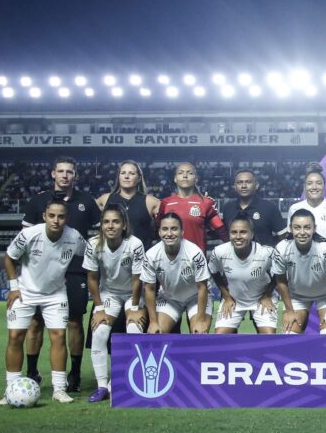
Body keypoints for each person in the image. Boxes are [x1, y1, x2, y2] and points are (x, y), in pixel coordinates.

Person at [21, 156, 100, 392]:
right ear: (53, 174)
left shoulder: (87, 201)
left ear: (75, 175)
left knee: (74, 321)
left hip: (76, 271)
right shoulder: (38, 201)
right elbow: (24, 241)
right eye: (61, 171)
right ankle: (32, 372)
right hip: (42, 274)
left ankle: (74, 374)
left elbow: (97, 237)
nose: (65, 175)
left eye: (70, 172)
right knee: (35, 323)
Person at [1, 199, 86, 404]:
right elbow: (9, 257)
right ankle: (10, 389)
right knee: (15, 337)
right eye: (52, 216)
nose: (56, 220)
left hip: (55, 293)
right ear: (44, 216)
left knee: (58, 336)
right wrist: (13, 288)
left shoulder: (74, 237)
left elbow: (90, 256)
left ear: (67, 218)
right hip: (25, 292)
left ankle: (59, 389)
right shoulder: (30, 234)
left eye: (61, 216)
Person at [84, 203, 146, 402]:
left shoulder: (135, 244)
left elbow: (138, 279)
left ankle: (118, 382)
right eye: (106, 222)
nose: (110, 226)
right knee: (99, 331)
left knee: (134, 330)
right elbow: (92, 278)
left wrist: (135, 308)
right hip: (109, 293)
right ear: (101, 225)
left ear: (124, 225)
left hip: (133, 294)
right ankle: (102, 385)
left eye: (115, 222)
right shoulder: (93, 244)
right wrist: (99, 309)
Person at [141, 213, 211, 334]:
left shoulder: (195, 253)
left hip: (195, 298)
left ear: (182, 232)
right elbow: (149, 289)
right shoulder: (151, 255)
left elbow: (202, 288)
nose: (169, 234)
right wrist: (153, 322)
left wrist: (200, 320)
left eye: (174, 229)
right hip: (170, 299)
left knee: (199, 335)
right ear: (159, 232)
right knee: (156, 334)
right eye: (165, 229)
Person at [272, 209, 326, 334]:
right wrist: (289, 310)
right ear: (290, 229)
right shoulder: (281, 248)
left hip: (325, 295)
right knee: (289, 335)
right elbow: (281, 281)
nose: (302, 232)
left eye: (307, 227)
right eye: (297, 228)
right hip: (298, 296)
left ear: (314, 228)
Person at [210, 216, 278, 334]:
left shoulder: (266, 253)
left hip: (261, 299)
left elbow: (280, 272)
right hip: (234, 300)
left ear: (251, 234)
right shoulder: (219, 252)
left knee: (269, 337)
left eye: (243, 232)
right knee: (219, 338)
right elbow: (214, 271)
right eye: (234, 232)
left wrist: (267, 295)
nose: (238, 236)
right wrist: (226, 297)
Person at [157, 162, 227, 252]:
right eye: (180, 173)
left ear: (196, 179)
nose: (185, 176)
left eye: (189, 173)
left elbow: (221, 230)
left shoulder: (206, 203)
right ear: (175, 179)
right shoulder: (165, 203)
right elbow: (157, 230)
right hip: (171, 261)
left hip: (197, 260)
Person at [96, 160, 160, 247]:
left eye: (131, 173)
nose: (126, 176)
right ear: (118, 177)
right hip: (112, 256)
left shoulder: (151, 202)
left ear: (139, 178)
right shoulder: (105, 199)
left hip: (141, 256)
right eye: (123, 173)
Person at [222, 169, 288, 247]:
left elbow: (283, 237)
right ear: (235, 186)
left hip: (265, 258)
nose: (243, 186)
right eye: (240, 182)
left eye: (248, 182)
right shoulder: (228, 209)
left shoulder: (269, 207)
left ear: (256, 185)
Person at [288, 163, 326, 245]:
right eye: (309, 183)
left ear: (324, 186)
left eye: (318, 183)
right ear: (304, 186)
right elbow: (291, 236)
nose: (314, 187)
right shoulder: (294, 209)